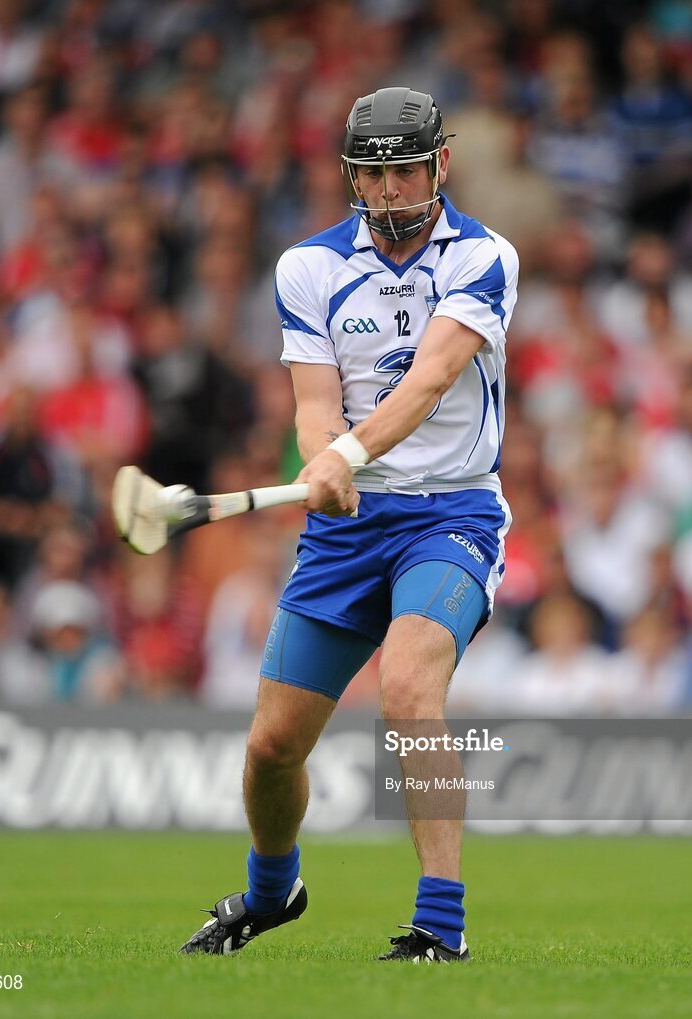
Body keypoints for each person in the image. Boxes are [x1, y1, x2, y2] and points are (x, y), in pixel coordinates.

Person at [180, 87, 518, 963]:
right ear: (350, 176)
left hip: (452, 513)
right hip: (349, 528)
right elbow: (313, 406)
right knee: (270, 747)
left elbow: (432, 379)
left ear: (439, 165)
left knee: (408, 689)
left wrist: (347, 453)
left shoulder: (483, 256)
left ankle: (440, 926)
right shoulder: (308, 267)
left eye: (405, 170)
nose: (390, 190)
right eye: (372, 174)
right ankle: (270, 890)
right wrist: (324, 458)